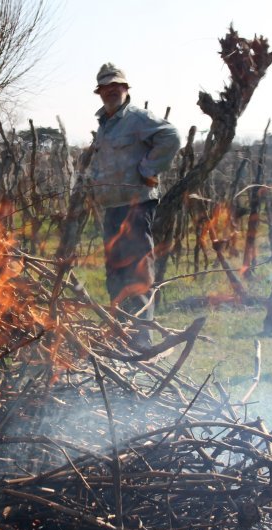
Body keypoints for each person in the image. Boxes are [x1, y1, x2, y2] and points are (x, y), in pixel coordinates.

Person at [86, 63, 182, 350]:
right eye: (106, 86)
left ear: (126, 89)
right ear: (100, 92)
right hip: (113, 208)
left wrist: (148, 168)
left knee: (137, 272)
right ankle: (121, 334)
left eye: (117, 85)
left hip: (137, 205)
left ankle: (141, 340)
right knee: (115, 274)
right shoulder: (105, 123)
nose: (112, 90)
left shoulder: (137, 118)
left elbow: (172, 136)